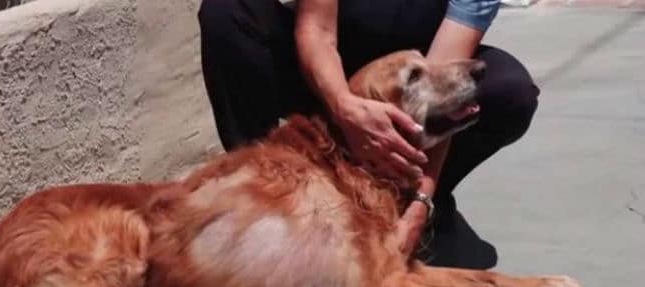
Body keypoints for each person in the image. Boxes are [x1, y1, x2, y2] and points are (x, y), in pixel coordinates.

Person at [196, 0, 539, 255]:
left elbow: (443, 95)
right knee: (228, 12)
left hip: (413, 84)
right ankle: (262, 197)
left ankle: (409, 201)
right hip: (327, 75)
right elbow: (318, 32)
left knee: (508, 92)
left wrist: (421, 201)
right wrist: (345, 107)